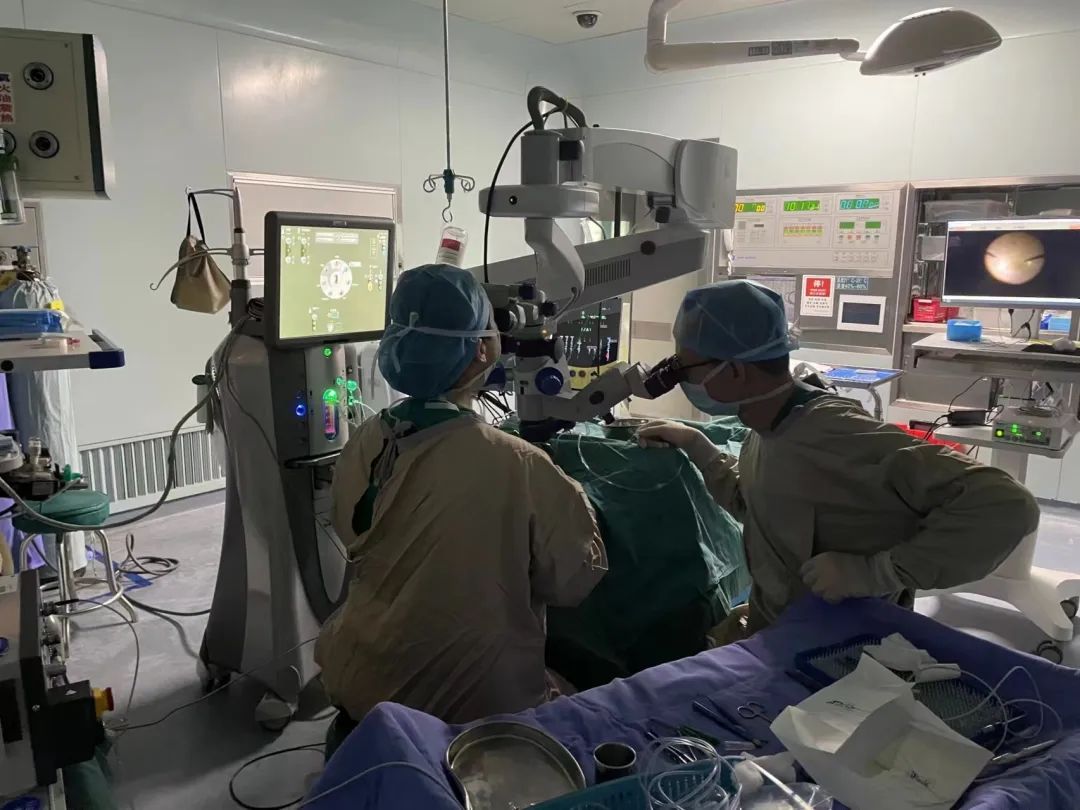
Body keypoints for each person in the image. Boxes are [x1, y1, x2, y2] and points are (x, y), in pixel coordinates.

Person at [638, 279, 1039, 635]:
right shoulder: (768, 425)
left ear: (735, 371)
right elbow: (764, 508)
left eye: (686, 369)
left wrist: (874, 573)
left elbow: (1007, 504)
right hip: (784, 635)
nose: (683, 381)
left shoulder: (837, 434)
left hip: (845, 653)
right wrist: (697, 446)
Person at [316, 263, 607, 743]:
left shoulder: (367, 438)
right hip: (472, 710)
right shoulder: (517, 464)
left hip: (363, 679)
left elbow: (356, 533)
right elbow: (573, 579)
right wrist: (571, 499)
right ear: (482, 350)